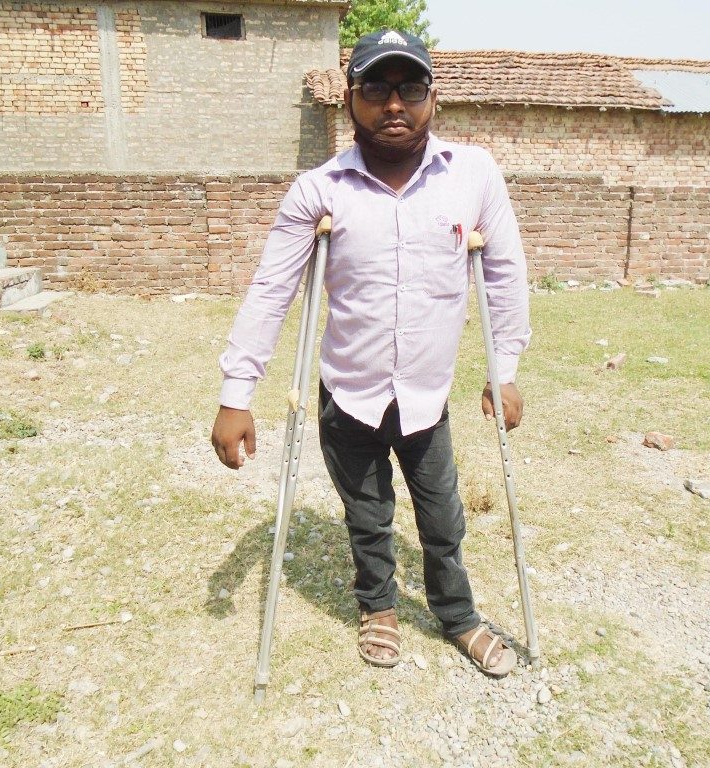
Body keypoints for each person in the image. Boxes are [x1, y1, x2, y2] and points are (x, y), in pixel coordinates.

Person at [211, 29, 531, 677]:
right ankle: (378, 605)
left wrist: (505, 369)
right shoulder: (317, 190)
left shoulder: (473, 175)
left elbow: (505, 274)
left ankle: (458, 614)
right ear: (350, 98)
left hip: (426, 395)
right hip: (348, 394)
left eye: (410, 88)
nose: (395, 105)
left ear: (432, 98)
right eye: (376, 89)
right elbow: (272, 292)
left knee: (442, 520)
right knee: (368, 515)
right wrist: (235, 395)